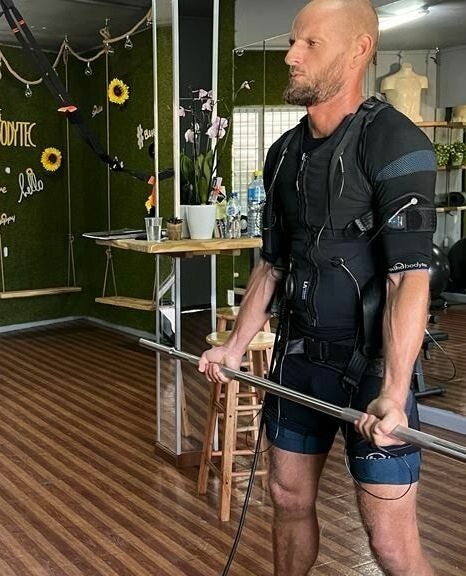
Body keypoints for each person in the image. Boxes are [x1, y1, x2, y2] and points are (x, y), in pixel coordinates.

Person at [199, 1, 436, 575]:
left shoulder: (396, 143)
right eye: (293, 41)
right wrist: (234, 347)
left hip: (372, 371)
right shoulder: (283, 154)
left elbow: (409, 278)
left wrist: (394, 391)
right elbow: (272, 266)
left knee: (390, 543)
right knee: (286, 500)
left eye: (310, 44)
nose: (290, 56)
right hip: (299, 360)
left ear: (359, 50)